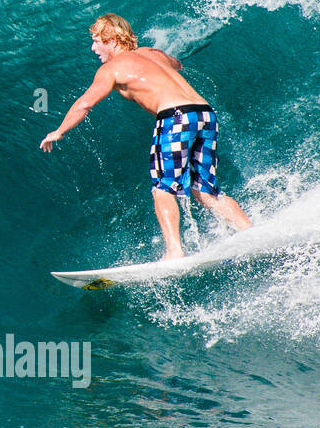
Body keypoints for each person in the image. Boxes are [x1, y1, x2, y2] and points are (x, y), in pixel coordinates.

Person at [39, 13, 252, 259]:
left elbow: (84, 105)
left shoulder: (111, 69)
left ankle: (174, 252)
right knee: (205, 191)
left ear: (112, 40)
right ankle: (250, 232)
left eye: (97, 41)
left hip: (175, 118)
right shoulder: (154, 53)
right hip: (204, 115)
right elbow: (177, 64)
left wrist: (59, 131)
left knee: (163, 188)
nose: (93, 47)